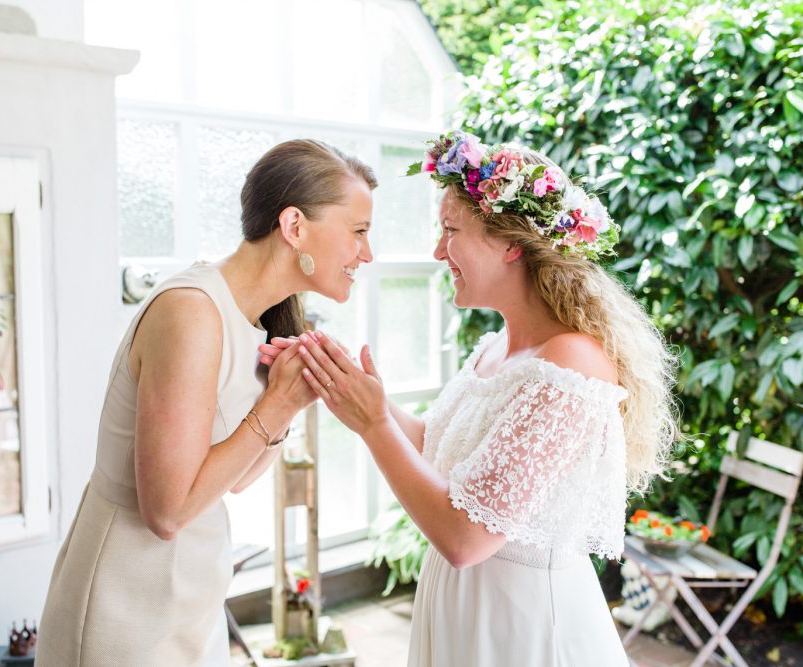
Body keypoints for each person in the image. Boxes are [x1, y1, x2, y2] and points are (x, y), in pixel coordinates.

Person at [262, 132, 680, 665]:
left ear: (511, 244)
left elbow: (465, 538)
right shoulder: (498, 347)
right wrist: (345, 381)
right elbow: (437, 446)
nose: (438, 251)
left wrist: (372, 424)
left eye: (451, 230)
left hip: (521, 629)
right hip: (465, 610)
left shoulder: (572, 362)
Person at [36, 139, 377, 666]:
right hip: (127, 602)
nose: (367, 254)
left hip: (190, 595)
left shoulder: (257, 319)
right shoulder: (192, 314)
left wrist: (292, 401)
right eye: (358, 232)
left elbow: (235, 479)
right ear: (294, 227)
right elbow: (167, 512)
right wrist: (276, 406)